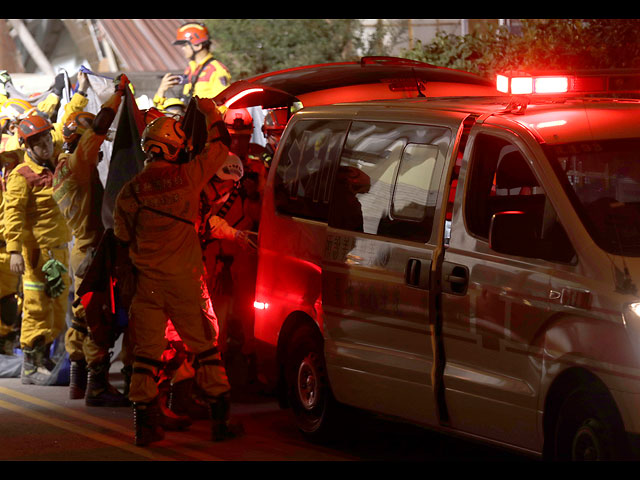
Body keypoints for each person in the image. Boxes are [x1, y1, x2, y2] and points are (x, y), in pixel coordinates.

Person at [113, 96, 242, 446]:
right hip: (184, 284)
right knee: (205, 349)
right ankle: (220, 421)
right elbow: (221, 146)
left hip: (148, 287)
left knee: (147, 354)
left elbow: (122, 236)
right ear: (174, 149)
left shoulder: (131, 192)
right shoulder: (188, 177)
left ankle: (145, 426)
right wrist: (210, 114)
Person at [52, 75, 131, 406]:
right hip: (90, 251)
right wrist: (116, 97)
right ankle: (97, 387)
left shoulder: (62, 169)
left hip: (80, 248)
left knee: (82, 317)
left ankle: (77, 380)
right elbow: (98, 129)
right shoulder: (77, 164)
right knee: (97, 316)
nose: (98, 151)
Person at [4, 112, 72, 385]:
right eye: (37, 141)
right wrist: (15, 251)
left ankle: (43, 357)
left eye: (46, 137)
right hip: (36, 255)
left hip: (59, 250)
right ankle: (30, 366)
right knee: (36, 307)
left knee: (56, 307)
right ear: (26, 146)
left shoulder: (55, 163)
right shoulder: (22, 176)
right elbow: (13, 215)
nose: (44, 144)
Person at [171, 22, 231, 104]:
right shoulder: (189, 69)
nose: (183, 49)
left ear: (198, 45)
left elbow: (222, 104)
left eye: (185, 45)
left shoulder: (217, 70)